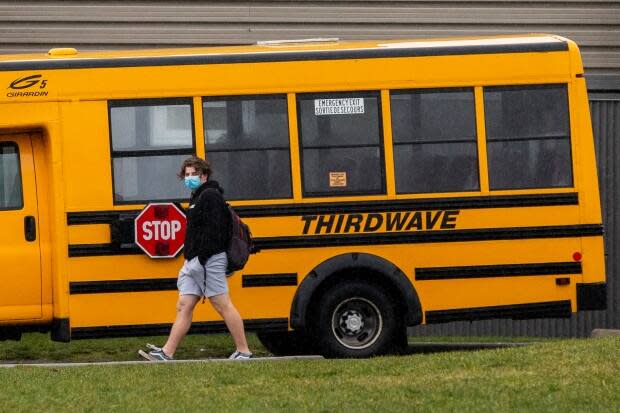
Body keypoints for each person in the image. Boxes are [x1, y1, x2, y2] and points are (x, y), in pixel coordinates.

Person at [139, 156, 252, 361]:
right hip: (195, 262)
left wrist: (202, 259)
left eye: (194, 174)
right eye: (187, 175)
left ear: (204, 176)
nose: (189, 178)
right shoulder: (198, 197)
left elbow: (216, 232)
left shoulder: (210, 196)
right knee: (184, 305)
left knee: (222, 304)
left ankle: (243, 350)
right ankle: (167, 352)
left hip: (207, 261)